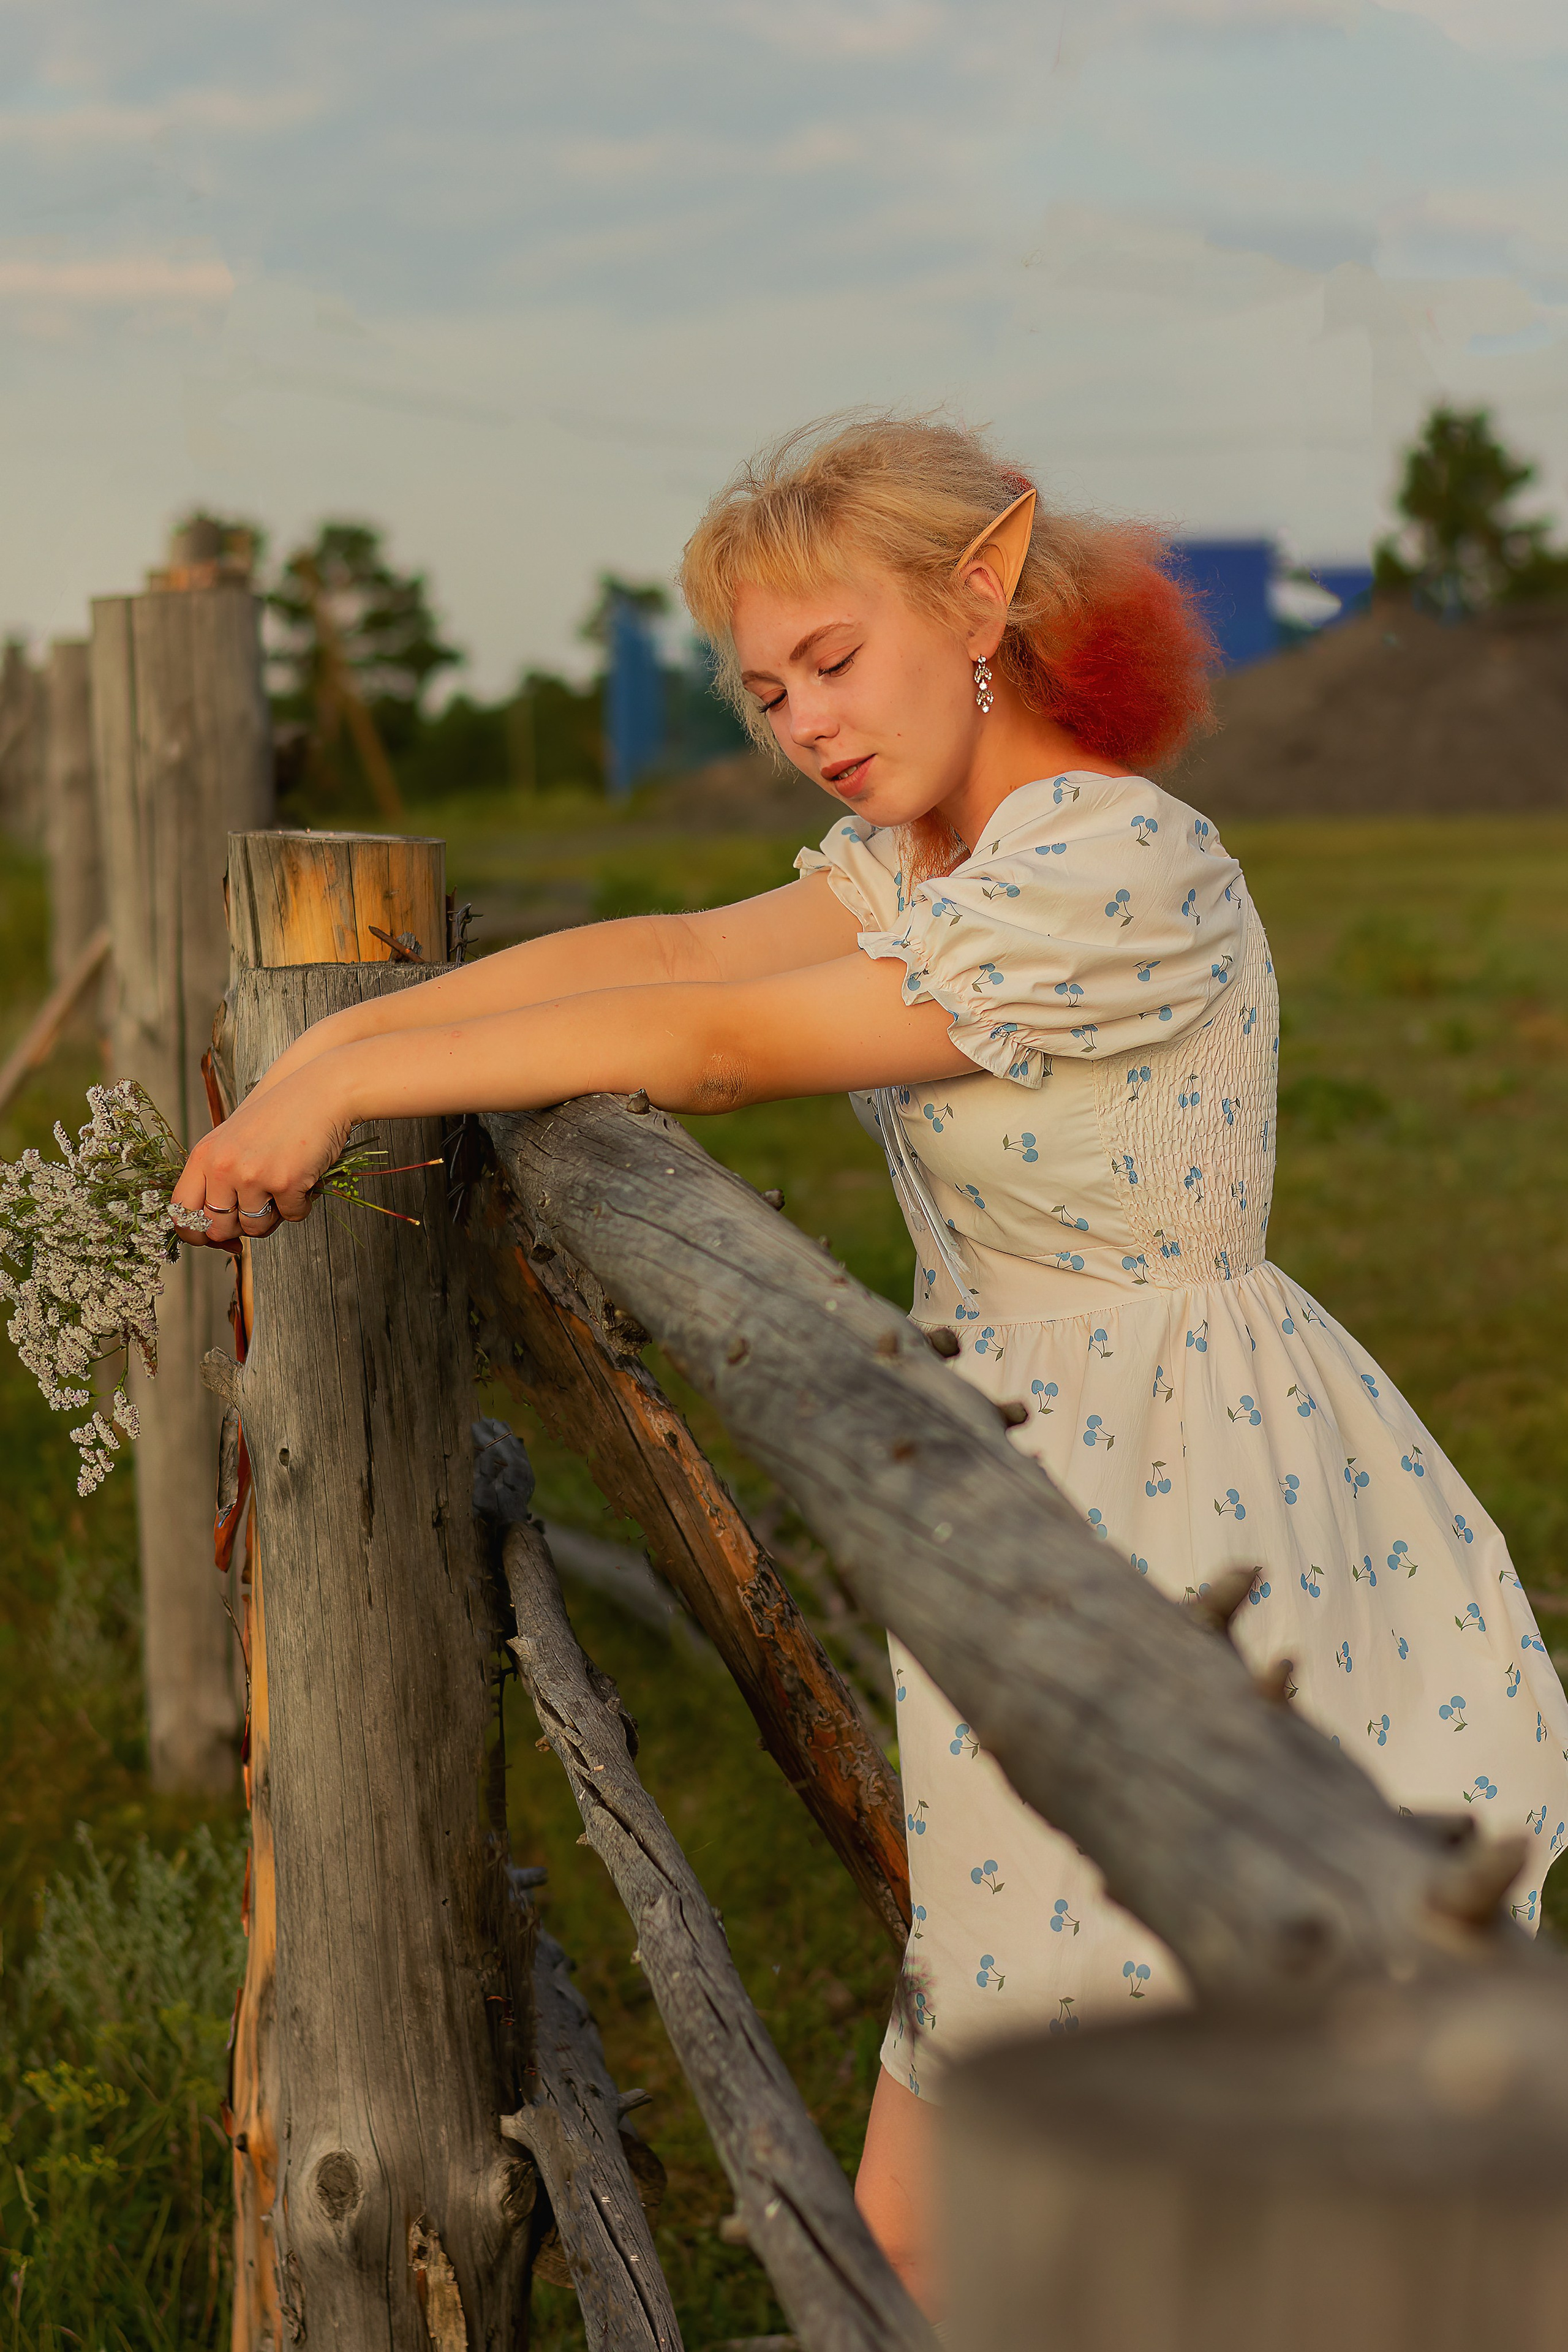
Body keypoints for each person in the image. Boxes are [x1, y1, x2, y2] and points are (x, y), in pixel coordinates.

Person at [174, 415, 1568, 2323]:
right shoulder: (924, 856)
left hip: (1182, 1492)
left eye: (834, 662)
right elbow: (672, 942)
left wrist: (343, 1074)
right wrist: (347, 1037)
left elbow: (724, 1038)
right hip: (1033, 1482)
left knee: (1146, 2156)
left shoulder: (1119, 864)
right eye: (765, 692)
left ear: (982, 594)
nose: (805, 722)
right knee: (998, 2188)